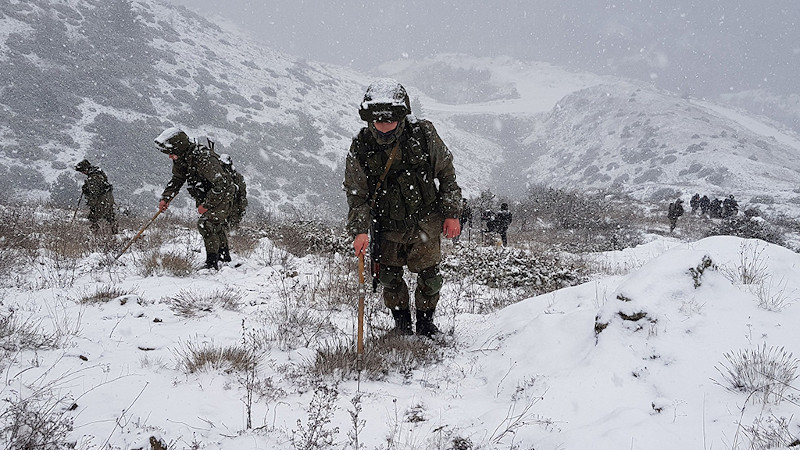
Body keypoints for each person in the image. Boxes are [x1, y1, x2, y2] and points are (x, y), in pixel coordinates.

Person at [343, 79, 462, 338]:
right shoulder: (362, 145)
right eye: (378, 121)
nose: (384, 127)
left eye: (390, 121)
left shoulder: (423, 134)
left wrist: (452, 213)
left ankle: (426, 323)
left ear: (402, 115)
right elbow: (356, 194)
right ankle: (401, 324)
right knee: (389, 279)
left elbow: (447, 173)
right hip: (386, 227)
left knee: (430, 278)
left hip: (425, 223)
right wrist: (360, 231)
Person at [154, 127, 236, 270]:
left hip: (222, 194)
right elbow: (177, 179)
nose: (170, 156)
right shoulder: (182, 157)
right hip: (209, 193)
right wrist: (165, 199)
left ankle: (212, 264)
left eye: (171, 153)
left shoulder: (204, 159)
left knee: (206, 223)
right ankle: (224, 258)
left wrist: (207, 204)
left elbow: (220, 184)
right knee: (214, 224)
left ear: (179, 148)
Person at [74, 159, 118, 234]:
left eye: (82, 171)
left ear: (85, 169)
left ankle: (94, 234)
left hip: (102, 200)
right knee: (110, 216)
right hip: (109, 198)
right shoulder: (98, 172)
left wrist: (87, 192)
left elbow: (95, 194)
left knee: (93, 218)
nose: (82, 173)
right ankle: (115, 233)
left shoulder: (92, 178)